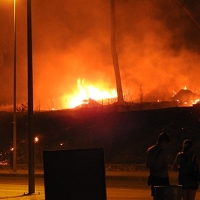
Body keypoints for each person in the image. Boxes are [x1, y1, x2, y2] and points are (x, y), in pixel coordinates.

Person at [146, 131, 170, 200]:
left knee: (155, 196)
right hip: (163, 178)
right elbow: (166, 166)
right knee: (164, 196)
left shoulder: (149, 150)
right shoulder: (163, 151)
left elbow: (147, 165)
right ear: (163, 141)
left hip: (153, 177)